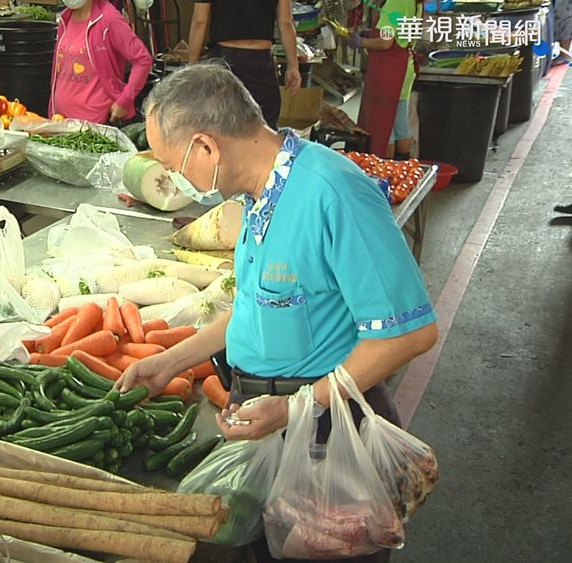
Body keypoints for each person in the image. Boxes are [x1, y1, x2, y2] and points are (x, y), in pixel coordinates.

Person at [115, 63, 438, 563]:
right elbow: (254, 306)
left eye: (172, 163)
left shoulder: (333, 193)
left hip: (327, 438)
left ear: (206, 147)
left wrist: (296, 407)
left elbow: (408, 334)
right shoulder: (257, 195)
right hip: (267, 425)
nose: (177, 178)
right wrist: (169, 362)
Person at [188, 0, 302, 129]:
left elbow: (199, 21)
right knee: (264, 127)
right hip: (260, 62)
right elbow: (286, 22)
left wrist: (192, 66)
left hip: (224, 60)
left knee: (220, 126)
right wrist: (293, 66)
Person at [49, 0, 153, 124]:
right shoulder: (65, 18)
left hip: (94, 125)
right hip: (59, 120)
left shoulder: (109, 19)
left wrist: (124, 100)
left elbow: (143, 60)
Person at [349, 0, 423, 159]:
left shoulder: (395, 2)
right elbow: (395, 32)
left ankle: (386, 171)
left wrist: (361, 42)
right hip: (404, 66)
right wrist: (373, 32)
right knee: (399, 124)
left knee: (383, 127)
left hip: (389, 71)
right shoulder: (415, 2)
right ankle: (402, 167)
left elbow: (385, 43)